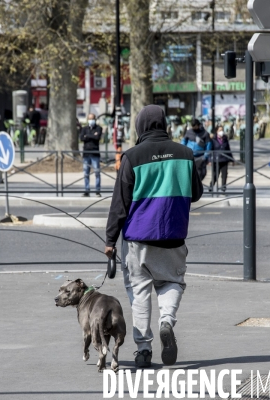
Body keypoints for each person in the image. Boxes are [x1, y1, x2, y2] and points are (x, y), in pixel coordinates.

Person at [105, 105, 203, 369]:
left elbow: (120, 204)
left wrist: (110, 241)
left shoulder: (132, 157)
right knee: (172, 282)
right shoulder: (185, 154)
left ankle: (144, 350)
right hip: (174, 237)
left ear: (140, 126)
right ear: (164, 124)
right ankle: (167, 322)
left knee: (139, 292)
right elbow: (195, 193)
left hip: (138, 239)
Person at [79, 113, 103, 197]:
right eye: (89, 119)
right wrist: (92, 135)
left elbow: (97, 138)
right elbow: (81, 138)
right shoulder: (84, 128)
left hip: (95, 153)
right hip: (86, 153)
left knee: (97, 172)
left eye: (92, 118)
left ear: (95, 119)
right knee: (86, 173)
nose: (91, 120)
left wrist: (87, 136)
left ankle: (97, 191)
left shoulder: (99, 128)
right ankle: (87, 190)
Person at [209, 125, 234, 192]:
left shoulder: (225, 138)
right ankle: (211, 186)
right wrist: (209, 160)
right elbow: (210, 150)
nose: (221, 131)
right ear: (216, 131)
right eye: (220, 130)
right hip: (216, 160)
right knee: (215, 175)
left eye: (222, 130)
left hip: (224, 159)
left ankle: (223, 188)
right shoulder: (213, 139)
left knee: (224, 174)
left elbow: (228, 149)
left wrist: (231, 159)